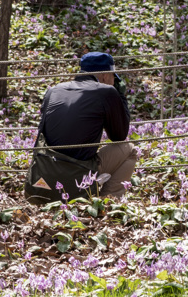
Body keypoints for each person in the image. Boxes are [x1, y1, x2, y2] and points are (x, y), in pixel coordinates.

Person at [28, 52, 137, 200]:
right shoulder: (106, 91)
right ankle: (108, 201)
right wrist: (120, 97)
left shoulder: (53, 90)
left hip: (41, 183)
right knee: (129, 150)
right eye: (113, 77)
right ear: (105, 75)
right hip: (76, 184)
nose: (113, 82)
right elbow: (119, 136)